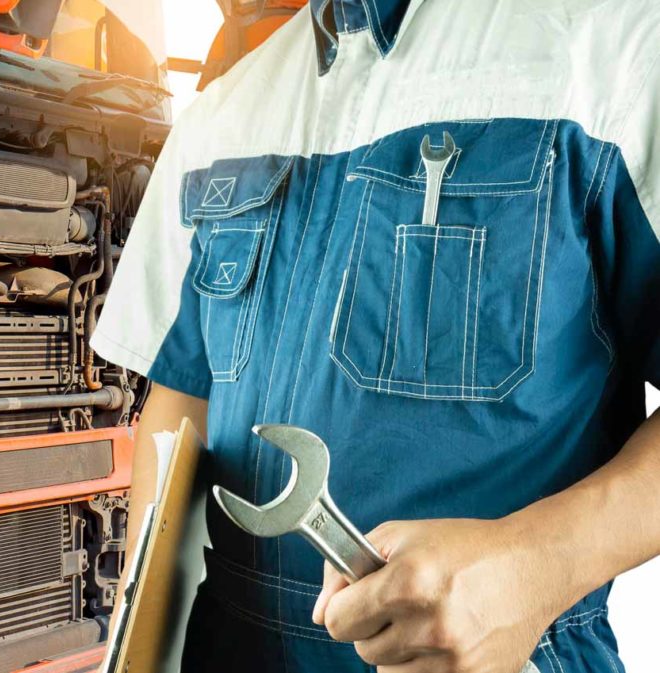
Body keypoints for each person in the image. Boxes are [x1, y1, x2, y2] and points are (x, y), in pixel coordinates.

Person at [90, 1, 660, 671]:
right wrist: (136, 648)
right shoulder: (218, 116)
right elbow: (182, 400)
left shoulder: (616, 47)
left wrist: (537, 562)